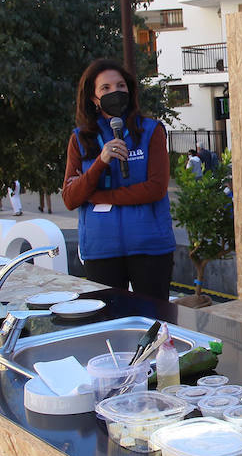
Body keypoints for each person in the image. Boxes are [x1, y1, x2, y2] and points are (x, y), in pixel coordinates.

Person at [62, 59, 177, 299]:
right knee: (108, 320)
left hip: (150, 246)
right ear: (93, 98)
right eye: (105, 88)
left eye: (120, 86)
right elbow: (71, 198)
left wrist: (97, 196)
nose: (115, 92)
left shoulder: (151, 130)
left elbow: (155, 189)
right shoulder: (80, 139)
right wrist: (100, 162)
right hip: (101, 249)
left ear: (130, 90)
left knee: (155, 322)